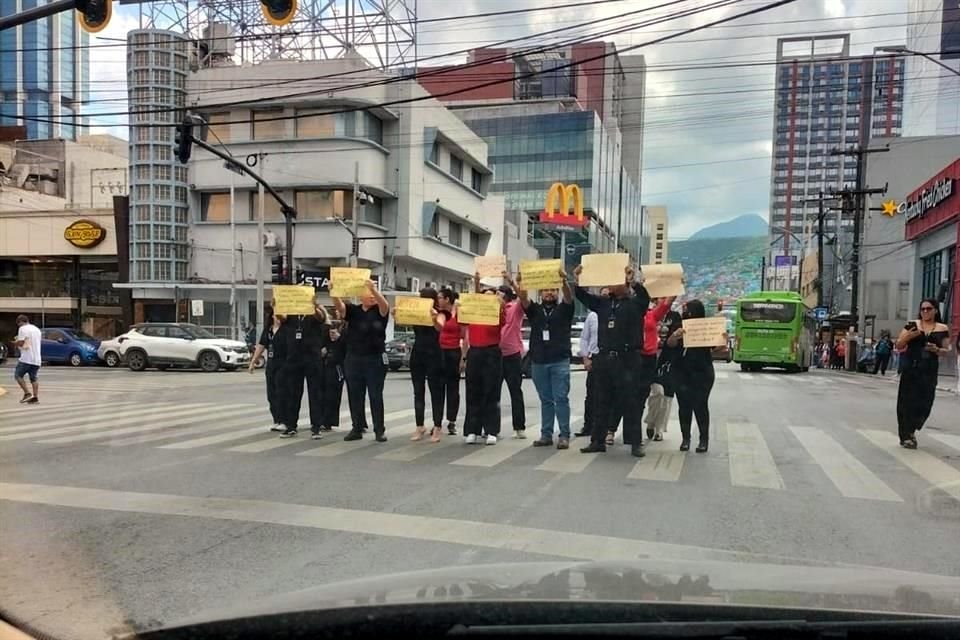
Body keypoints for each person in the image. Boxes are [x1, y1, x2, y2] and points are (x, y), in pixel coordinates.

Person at [574, 264, 651, 458]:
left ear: (624, 282)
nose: (610, 283)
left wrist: (633, 280)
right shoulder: (604, 303)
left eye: (614, 279)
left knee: (630, 402)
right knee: (601, 401)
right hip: (605, 358)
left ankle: (635, 443)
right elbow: (583, 297)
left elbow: (645, 298)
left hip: (628, 359)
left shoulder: (635, 303)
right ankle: (597, 441)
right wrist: (578, 279)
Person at [517, 268, 574, 449]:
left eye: (553, 290)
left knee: (561, 398)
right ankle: (546, 434)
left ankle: (564, 435)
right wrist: (521, 282)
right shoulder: (535, 310)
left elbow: (568, 296)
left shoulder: (565, 309)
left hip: (560, 360)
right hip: (539, 361)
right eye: (546, 290)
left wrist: (564, 281)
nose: (549, 293)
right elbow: (523, 298)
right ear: (541, 293)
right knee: (546, 400)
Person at [334, 279, 391, 443]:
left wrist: (374, 290)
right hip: (354, 358)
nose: (372, 297)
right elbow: (340, 308)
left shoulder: (379, 311)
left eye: (373, 293)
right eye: (368, 294)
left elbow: (385, 305)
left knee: (375, 395)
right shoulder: (354, 310)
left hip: (375, 359)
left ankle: (379, 430)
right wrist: (334, 293)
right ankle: (357, 427)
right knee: (355, 394)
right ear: (360, 296)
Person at [668, 299, 725, 453]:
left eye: (688, 309)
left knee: (700, 405)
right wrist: (675, 336)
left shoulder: (705, 327)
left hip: (702, 372)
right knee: (684, 406)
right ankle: (685, 439)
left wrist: (722, 339)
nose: (685, 312)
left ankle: (703, 440)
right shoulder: (679, 325)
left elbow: (719, 348)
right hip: (681, 372)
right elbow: (670, 344)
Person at [893, 299, 951, 449]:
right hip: (911, 368)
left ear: (935, 310)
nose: (925, 312)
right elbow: (899, 345)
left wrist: (936, 350)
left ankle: (912, 429)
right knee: (906, 403)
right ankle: (907, 435)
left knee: (925, 403)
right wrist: (908, 337)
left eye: (928, 309)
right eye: (922, 309)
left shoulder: (942, 328)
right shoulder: (912, 325)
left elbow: (947, 351)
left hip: (929, 371)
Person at [276, 302, 330, 438]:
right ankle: (291, 426)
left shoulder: (314, 313)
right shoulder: (292, 315)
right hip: (294, 358)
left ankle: (316, 427)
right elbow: (281, 318)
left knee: (315, 393)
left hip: (312, 357)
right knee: (292, 393)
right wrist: (277, 305)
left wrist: (314, 305)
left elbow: (321, 317)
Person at [462, 287, 506, 445]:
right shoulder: (473, 313)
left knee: (491, 391)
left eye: (490, 297)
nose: (487, 299)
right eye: (484, 296)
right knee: (473, 391)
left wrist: (499, 304)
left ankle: (491, 430)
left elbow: (503, 322)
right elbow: (461, 320)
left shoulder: (497, 312)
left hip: (492, 352)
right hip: (475, 352)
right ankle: (472, 430)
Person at [405, 288, 447, 443]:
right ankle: (419, 425)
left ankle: (437, 426)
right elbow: (404, 318)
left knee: (436, 391)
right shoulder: (417, 313)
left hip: (434, 354)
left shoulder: (441, 313)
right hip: (418, 353)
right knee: (418, 391)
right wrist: (398, 313)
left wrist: (434, 318)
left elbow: (440, 327)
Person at [493, 274, 527, 439]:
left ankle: (519, 426)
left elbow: (523, 296)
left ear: (506, 296)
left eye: (499, 294)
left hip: (512, 355)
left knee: (515, 391)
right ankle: (493, 427)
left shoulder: (515, 308)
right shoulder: (491, 311)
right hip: (495, 354)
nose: (496, 297)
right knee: (493, 393)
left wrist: (515, 282)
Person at [641, 296, 677, 440]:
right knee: (657, 393)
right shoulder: (646, 313)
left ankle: (659, 429)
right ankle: (651, 421)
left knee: (666, 396)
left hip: (666, 359)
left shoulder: (674, 317)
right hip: (649, 357)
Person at [248, 308, 286, 431]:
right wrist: (253, 361)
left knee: (282, 392)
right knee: (272, 393)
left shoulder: (287, 330)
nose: (278, 318)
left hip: (284, 364)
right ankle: (276, 419)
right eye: (276, 315)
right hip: (272, 364)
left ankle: (284, 420)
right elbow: (261, 345)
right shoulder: (268, 330)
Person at [437, 287, 463, 436]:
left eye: (440, 298)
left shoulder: (458, 313)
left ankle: (452, 420)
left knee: (453, 388)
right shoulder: (439, 313)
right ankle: (437, 421)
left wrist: (463, 358)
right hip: (440, 351)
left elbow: (465, 335)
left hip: (453, 352)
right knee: (438, 386)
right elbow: (438, 326)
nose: (438, 301)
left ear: (447, 299)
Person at [320, 320, 346, 432]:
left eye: (334, 333)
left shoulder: (342, 342)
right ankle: (322, 419)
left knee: (333, 396)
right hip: (325, 369)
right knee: (323, 395)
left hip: (337, 370)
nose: (332, 335)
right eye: (330, 333)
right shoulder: (326, 343)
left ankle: (329, 421)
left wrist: (339, 339)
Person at [13, 314, 42, 404]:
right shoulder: (37, 329)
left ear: (21, 322)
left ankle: (27, 393)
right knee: (34, 378)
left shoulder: (22, 329)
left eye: (19, 324)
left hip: (26, 358)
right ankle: (35, 397)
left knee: (18, 375)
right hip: (37, 359)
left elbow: (22, 342)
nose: (19, 326)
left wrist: (15, 343)